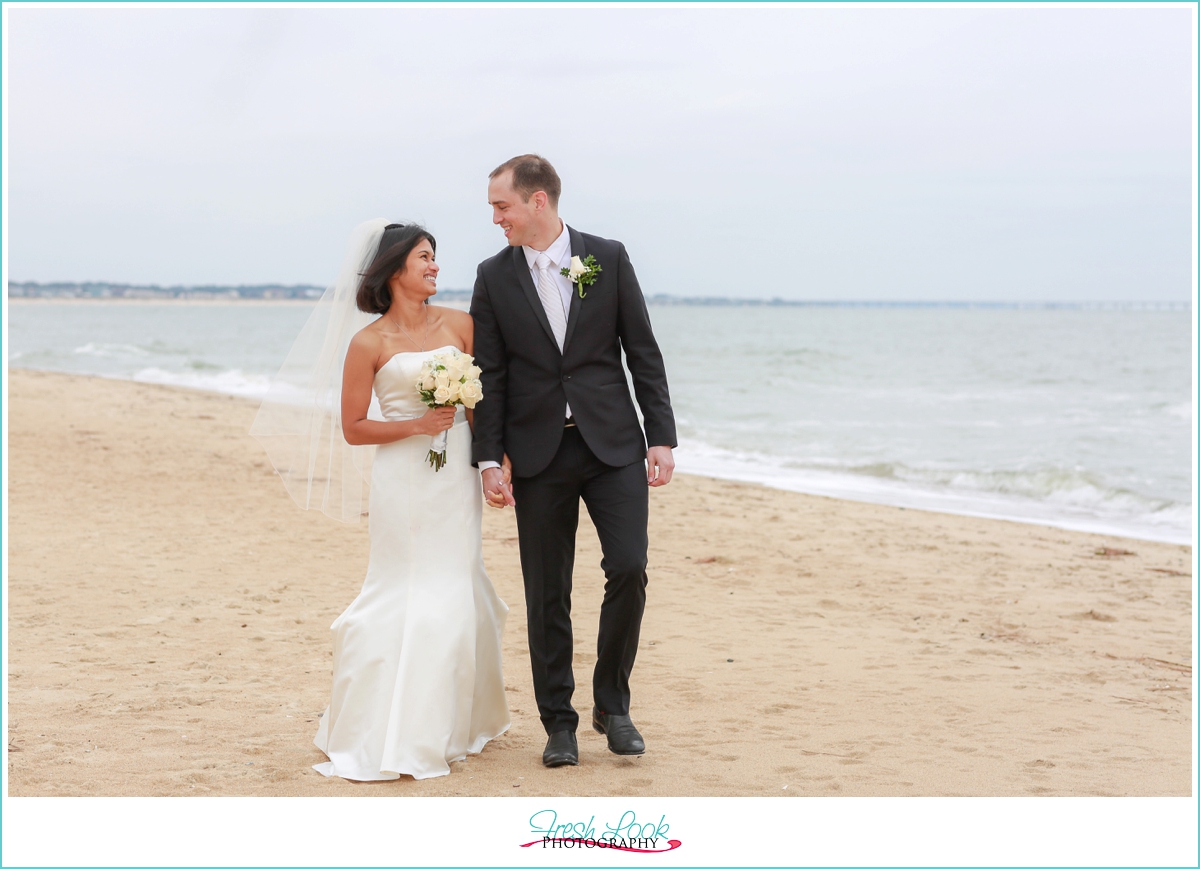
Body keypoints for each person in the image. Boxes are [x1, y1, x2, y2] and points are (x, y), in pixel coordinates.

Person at [251, 220, 510, 781]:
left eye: (435, 256)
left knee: (457, 581)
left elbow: (487, 406)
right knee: (403, 584)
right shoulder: (368, 343)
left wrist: (496, 464)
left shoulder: (463, 325)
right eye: (424, 257)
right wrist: (417, 425)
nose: (435, 265)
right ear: (395, 270)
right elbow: (352, 428)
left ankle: (453, 722)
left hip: (454, 478)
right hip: (404, 477)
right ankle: (384, 724)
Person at [470, 155, 677, 768]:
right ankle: (558, 723)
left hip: (613, 444)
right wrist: (488, 459)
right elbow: (492, 375)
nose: (496, 219)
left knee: (630, 568)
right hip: (538, 453)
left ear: (538, 202)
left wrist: (661, 435)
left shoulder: (606, 257)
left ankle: (612, 704)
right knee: (546, 592)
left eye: (501, 206)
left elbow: (642, 349)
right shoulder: (493, 275)